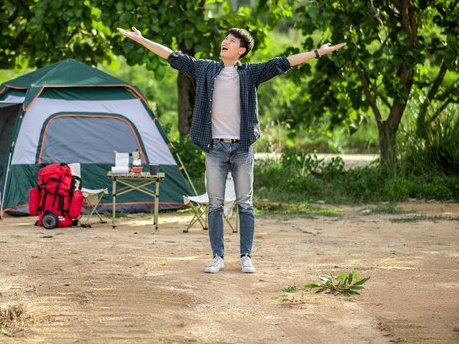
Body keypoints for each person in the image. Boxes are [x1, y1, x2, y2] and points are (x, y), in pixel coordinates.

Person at [117, 26, 345, 273]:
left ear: (242, 50)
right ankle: (218, 257)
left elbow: (284, 63)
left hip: (242, 149)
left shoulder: (251, 73)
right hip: (214, 148)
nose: (225, 41)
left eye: (232, 40)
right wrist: (141, 40)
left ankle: (246, 256)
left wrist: (317, 52)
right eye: (225, 38)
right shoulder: (204, 69)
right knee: (215, 205)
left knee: (245, 203)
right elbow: (173, 56)